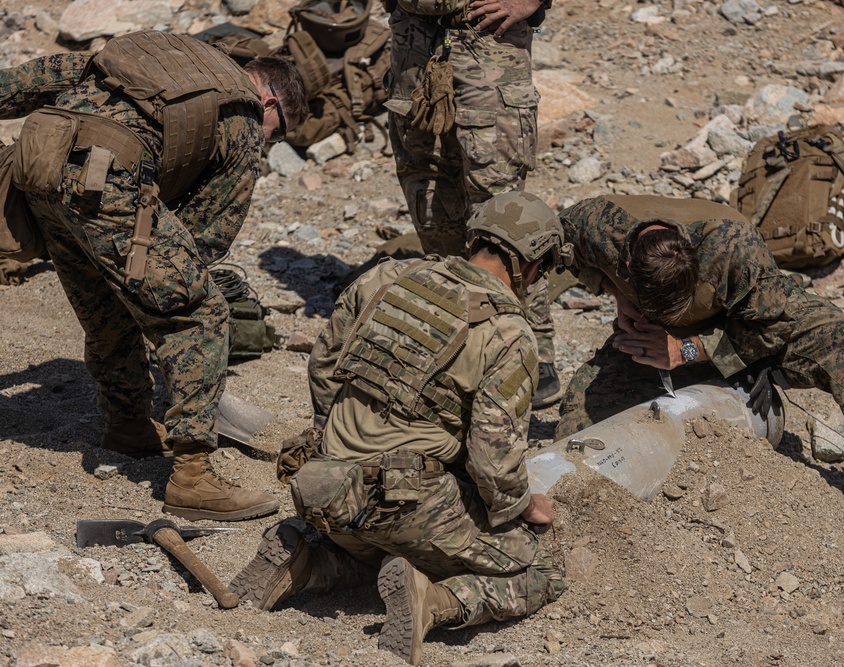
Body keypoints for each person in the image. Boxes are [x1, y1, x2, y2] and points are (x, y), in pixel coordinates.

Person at [556, 194, 844, 579]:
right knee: (581, 413)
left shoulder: (732, 246)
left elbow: (772, 328)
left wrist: (689, 350)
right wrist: (619, 295)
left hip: (744, 328)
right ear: (630, 263)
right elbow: (563, 252)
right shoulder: (595, 222)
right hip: (655, 339)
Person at [228, 192, 567, 665]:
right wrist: (520, 505)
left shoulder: (388, 277)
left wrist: (335, 441)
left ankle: (307, 560)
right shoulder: (510, 333)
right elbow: (493, 456)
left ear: (475, 239)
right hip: (405, 503)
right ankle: (434, 602)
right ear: (532, 264)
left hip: (322, 489)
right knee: (542, 568)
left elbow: (323, 364)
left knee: (387, 549)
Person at [0, 30, 308, 521]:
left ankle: (128, 425)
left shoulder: (166, 65)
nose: (271, 143)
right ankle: (193, 477)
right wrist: (163, 289)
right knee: (200, 311)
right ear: (270, 100)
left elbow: (42, 75)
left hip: (37, 165)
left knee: (105, 300)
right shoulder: (245, 114)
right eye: (281, 130)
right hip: (106, 177)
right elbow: (208, 235)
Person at [382, 0, 562, 409]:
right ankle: (459, 336)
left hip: (487, 44)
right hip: (413, 48)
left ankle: (532, 349)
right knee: (429, 199)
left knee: (503, 216)